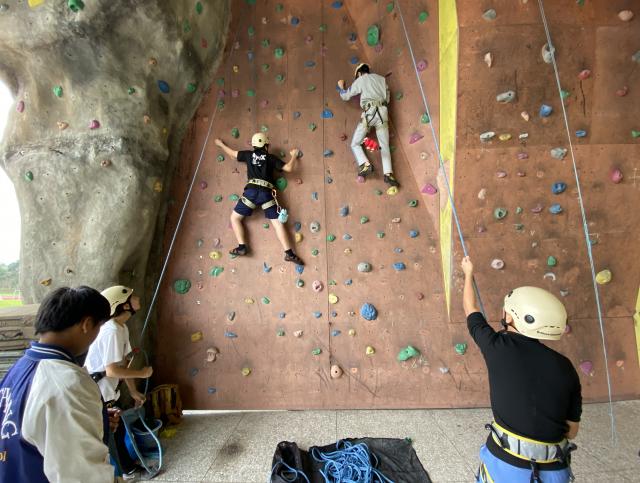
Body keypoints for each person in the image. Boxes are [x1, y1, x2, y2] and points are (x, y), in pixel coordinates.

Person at [461, 256, 581, 483]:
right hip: (555, 471)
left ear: (511, 317)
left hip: (505, 467)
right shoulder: (566, 367)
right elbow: (572, 431)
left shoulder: (497, 346)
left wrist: (468, 273)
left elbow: (470, 309)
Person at [0, 286, 114, 482]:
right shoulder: (68, 383)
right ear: (87, 324)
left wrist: (95, 418)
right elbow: (83, 475)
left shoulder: (18, 368)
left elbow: (32, 427)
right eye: (99, 327)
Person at [85, 285, 152, 479]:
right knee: (109, 438)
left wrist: (133, 391)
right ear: (123, 305)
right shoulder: (111, 331)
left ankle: (126, 468)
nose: (137, 297)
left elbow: (123, 365)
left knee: (118, 431)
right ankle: (121, 474)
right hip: (99, 392)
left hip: (109, 391)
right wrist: (142, 374)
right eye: (132, 296)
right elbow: (112, 370)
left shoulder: (121, 327)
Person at [215, 134, 304, 265]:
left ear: (254, 145)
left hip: (250, 193)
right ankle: (289, 253)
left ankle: (242, 247)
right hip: (266, 194)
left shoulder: (248, 155)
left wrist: (220, 144)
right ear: (266, 146)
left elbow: (233, 154)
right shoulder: (270, 158)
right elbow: (289, 168)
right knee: (278, 224)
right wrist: (294, 155)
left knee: (235, 218)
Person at [337, 63, 399, 188]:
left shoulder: (361, 79)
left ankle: (365, 164)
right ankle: (388, 174)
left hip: (370, 113)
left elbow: (345, 96)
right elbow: (387, 98)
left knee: (355, 143)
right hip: (383, 113)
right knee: (384, 145)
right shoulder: (382, 80)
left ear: (359, 73)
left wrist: (340, 87)